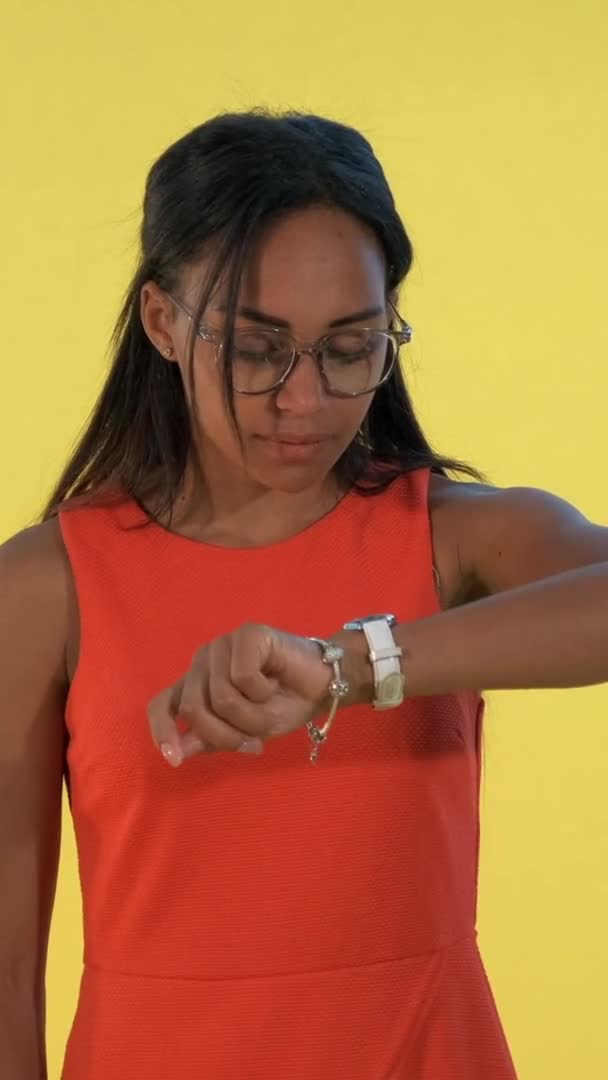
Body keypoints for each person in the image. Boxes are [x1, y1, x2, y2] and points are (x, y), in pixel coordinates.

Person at [1, 109, 606, 1080]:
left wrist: (350, 667)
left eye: (349, 346)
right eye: (254, 349)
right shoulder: (46, 589)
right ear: (162, 320)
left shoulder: (453, 539)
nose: (305, 400)